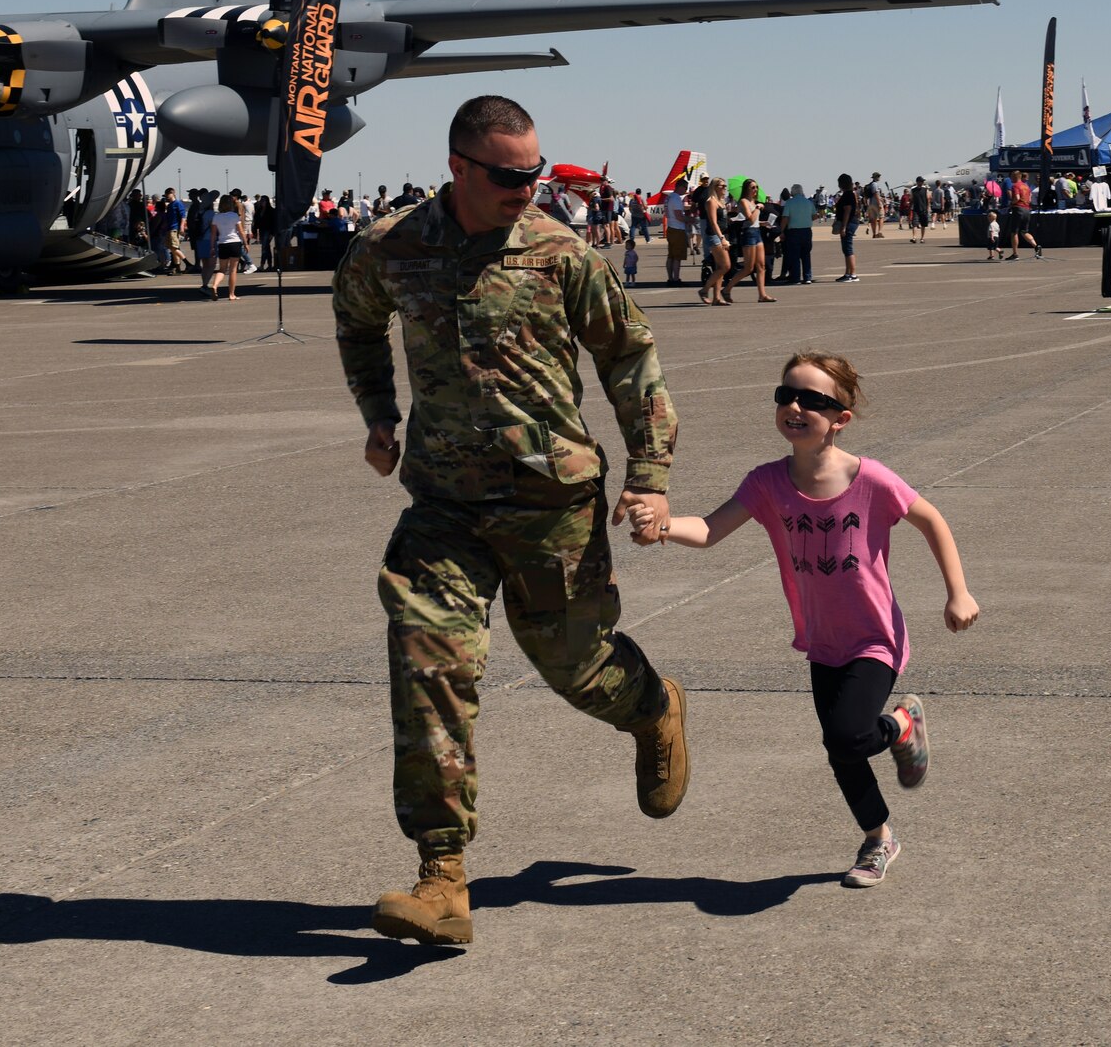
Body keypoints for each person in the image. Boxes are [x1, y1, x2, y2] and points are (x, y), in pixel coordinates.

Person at [332, 94, 689, 949]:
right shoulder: (392, 246)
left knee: (577, 668)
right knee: (428, 661)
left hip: (549, 505)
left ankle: (652, 707)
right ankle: (442, 873)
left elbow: (629, 356)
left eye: (535, 171)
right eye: (509, 175)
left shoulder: (560, 252)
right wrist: (378, 412)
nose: (527, 187)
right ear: (458, 166)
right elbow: (354, 319)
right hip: (444, 506)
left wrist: (650, 474)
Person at [629, 352, 979, 889]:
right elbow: (709, 530)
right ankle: (879, 837)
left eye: (813, 401)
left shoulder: (872, 479)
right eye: (786, 395)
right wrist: (662, 525)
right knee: (841, 750)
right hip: (822, 640)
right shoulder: (767, 483)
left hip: (873, 637)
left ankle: (900, 725)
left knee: (848, 733)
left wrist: (957, 592)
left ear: (841, 418)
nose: (795, 407)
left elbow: (931, 519)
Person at [698, 177, 732, 305]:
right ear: (714, 187)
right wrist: (722, 238)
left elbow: (721, 220)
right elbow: (713, 222)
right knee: (725, 266)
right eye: (721, 186)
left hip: (721, 235)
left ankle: (716, 298)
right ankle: (704, 290)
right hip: (714, 236)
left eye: (725, 186)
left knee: (720, 267)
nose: (724, 188)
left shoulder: (721, 201)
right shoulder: (711, 201)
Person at [209, 191, 246, 300]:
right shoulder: (234, 216)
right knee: (233, 270)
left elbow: (213, 234)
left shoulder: (216, 217)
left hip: (222, 244)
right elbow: (241, 231)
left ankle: (215, 285)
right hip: (234, 243)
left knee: (222, 269)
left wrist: (212, 247)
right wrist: (246, 243)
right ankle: (231, 294)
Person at [781, 183, 815, 285]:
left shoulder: (789, 203)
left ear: (792, 192)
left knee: (794, 255)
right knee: (806, 255)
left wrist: (781, 231)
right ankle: (807, 277)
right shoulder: (808, 202)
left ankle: (796, 278)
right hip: (807, 231)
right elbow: (815, 216)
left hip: (794, 231)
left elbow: (785, 218)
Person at [1006, 171, 1042, 260]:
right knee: (1024, 231)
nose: (1010, 179)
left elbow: (1017, 198)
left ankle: (1015, 254)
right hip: (1027, 209)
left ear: (1015, 176)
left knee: (1014, 232)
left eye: (1011, 177)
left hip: (1018, 209)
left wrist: (1011, 204)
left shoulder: (1015, 186)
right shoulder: (1026, 186)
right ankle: (1036, 246)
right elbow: (1029, 199)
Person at [832, 174, 861, 282]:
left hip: (849, 223)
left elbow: (847, 211)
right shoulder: (849, 194)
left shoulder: (848, 195)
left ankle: (853, 274)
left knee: (848, 248)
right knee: (846, 248)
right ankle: (848, 273)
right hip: (851, 222)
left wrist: (843, 227)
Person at [662, 176, 690, 285]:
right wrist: (689, 220)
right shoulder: (676, 199)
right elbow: (679, 216)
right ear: (680, 187)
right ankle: (676, 279)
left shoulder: (668, 198)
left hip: (671, 227)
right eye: (685, 188)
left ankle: (670, 278)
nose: (685, 190)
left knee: (671, 255)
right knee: (677, 256)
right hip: (678, 229)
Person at [252, 195, 278, 271]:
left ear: (267, 201)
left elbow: (274, 223)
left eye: (264, 200)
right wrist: (254, 231)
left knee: (264, 247)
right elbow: (256, 222)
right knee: (267, 248)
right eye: (261, 200)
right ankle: (269, 265)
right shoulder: (259, 210)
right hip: (261, 231)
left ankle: (262, 265)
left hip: (268, 231)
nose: (262, 202)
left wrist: (272, 233)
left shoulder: (271, 211)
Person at [865, 172, 886, 239]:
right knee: (881, 217)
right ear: (876, 177)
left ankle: (874, 233)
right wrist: (879, 203)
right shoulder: (875, 184)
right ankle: (879, 232)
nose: (879, 178)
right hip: (876, 203)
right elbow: (876, 194)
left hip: (872, 203)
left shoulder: (871, 184)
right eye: (878, 176)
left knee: (873, 219)